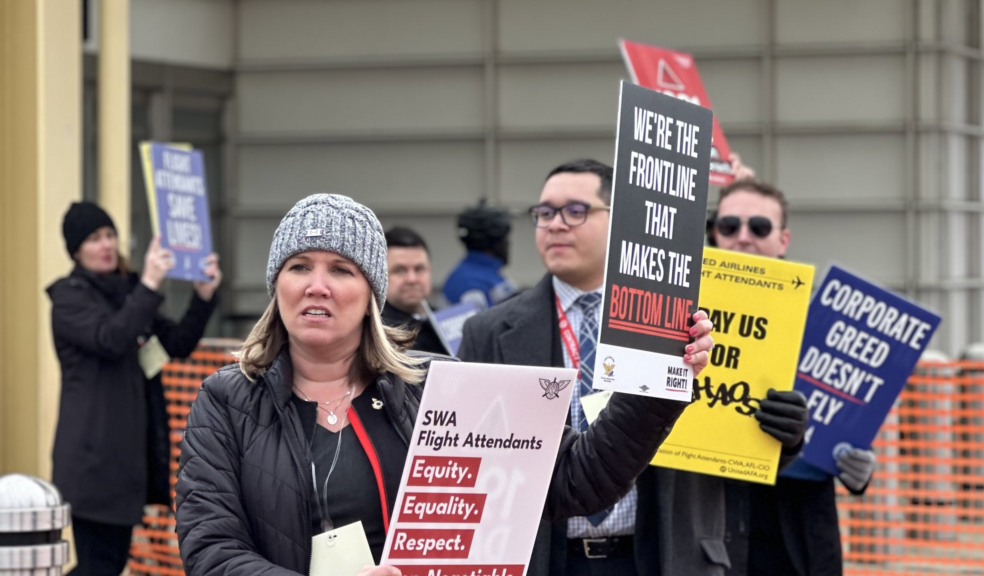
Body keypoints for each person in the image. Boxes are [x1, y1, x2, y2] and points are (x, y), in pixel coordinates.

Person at [174, 193, 716, 575]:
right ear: (277, 286)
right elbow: (210, 549)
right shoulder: (227, 401)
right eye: (298, 267)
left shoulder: (438, 386)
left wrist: (659, 379)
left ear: (372, 295)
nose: (317, 286)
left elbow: (579, 478)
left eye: (341, 269)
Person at [458, 159, 809, 576]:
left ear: (621, 221)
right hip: (541, 559)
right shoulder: (488, 332)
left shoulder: (689, 321)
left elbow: (728, 449)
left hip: (664, 556)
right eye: (544, 213)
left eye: (575, 211)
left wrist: (780, 437)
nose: (555, 224)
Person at [708, 178, 877, 576]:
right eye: (730, 226)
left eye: (760, 227)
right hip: (705, 525)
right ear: (715, 233)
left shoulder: (827, 322)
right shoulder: (681, 310)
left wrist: (858, 462)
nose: (744, 237)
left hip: (797, 532)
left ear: (783, 239)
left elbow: (846, 411)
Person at [48, 201, 221, 575]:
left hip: (127, 463)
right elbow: (112, 337)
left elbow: (177, 343)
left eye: (109, 234)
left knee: (109, 565)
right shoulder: (70, 298)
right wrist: (149, 284)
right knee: (99, 566)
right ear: (76, 250)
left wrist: (203, 296)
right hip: (91, 463)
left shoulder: (129, 294)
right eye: (94, 238)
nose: (106, 244)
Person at [381, 226, 447, 355]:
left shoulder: (443, 319)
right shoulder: (377, 331)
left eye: (419, 269)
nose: (412, 279)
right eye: (399, 270)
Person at [442, 202, 517, 308]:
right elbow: (479, 324)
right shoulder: (470, 284)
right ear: (495, 243)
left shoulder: (486, 274)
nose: (509, 243)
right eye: (505, 239)